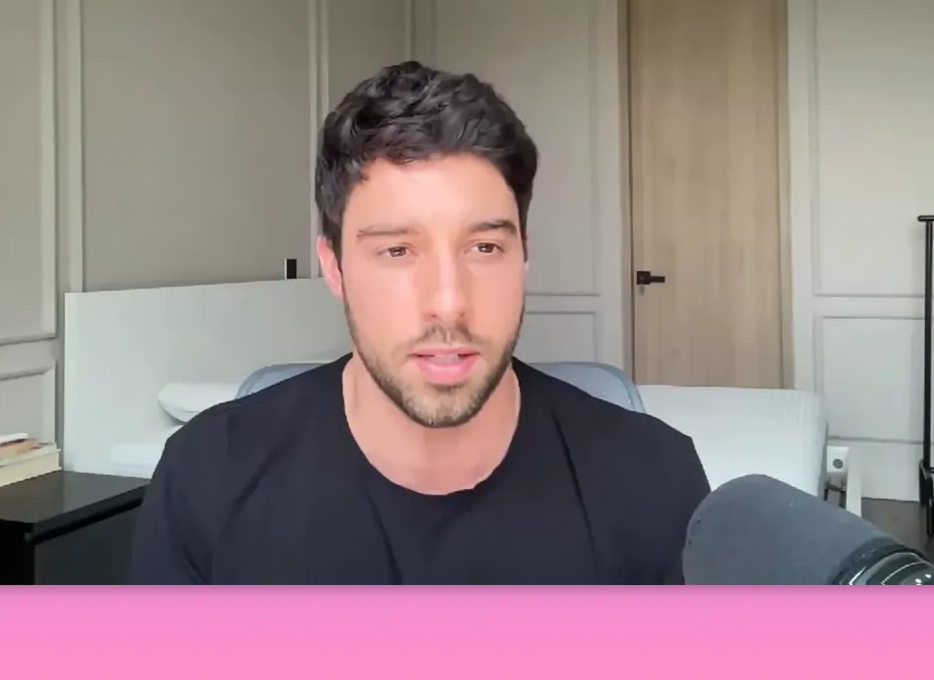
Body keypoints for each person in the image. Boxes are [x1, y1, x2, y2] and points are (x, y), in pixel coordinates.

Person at [128, 61, 709, 584]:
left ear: (523, 254)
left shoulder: (655, 480)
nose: (449, 303)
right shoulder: (207, 477)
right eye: (397, 252)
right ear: (334, 267)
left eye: (484, 248)